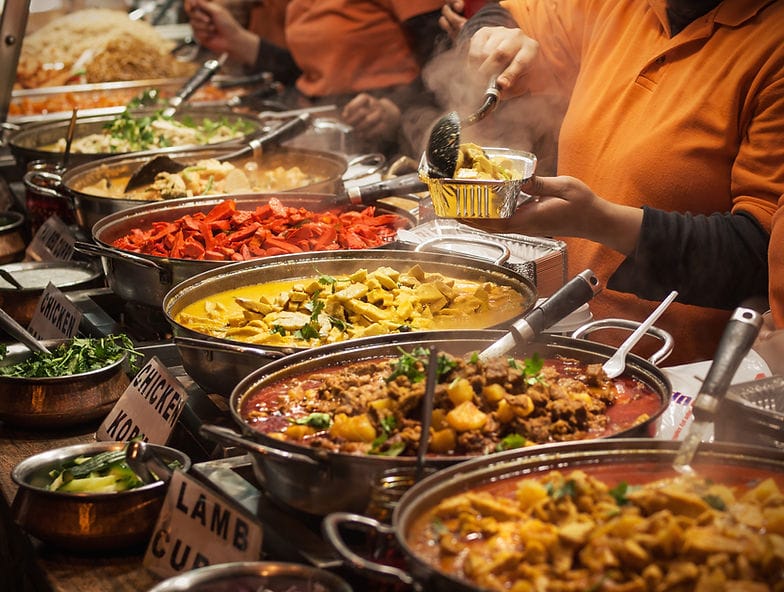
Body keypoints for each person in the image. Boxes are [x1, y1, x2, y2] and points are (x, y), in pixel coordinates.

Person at [447, 0, 784, 364]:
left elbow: (757, 256)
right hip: (561, 333)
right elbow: (511, 12)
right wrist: (489, 38)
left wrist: (596, 222)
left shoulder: (773, 46)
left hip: (673, 367)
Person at [184, 0, 446, 156]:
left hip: (390, 144)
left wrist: (395, 107)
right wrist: (236, 41)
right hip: (323, 133)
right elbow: (308, 72)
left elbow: (445, 54)